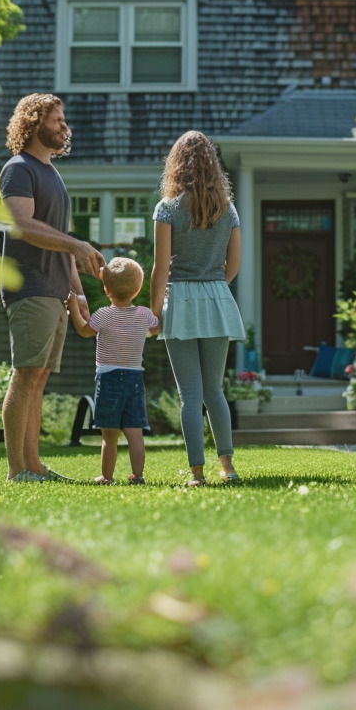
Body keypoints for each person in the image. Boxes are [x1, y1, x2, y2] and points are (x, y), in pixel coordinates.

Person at [0, 92, 104, 483]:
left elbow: (57, 239)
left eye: (64, 120)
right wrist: (76, 245)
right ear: (33, 121)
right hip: (29, 288)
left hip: (55, 290)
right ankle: (16, 470)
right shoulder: (19, 169)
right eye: (57, 119)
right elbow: (22, 225)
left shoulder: (52, 174)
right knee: (25, 374)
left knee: (38, 378)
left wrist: (75, 290)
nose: (65, 126)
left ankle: (34, 466)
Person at [150, 131, 245, 486]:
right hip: (218, 299)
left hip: (182, 301)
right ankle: (229, 467)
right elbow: (233, 265)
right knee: (214, 390)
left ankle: (197, 473)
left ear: (176, 165)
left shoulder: (168, 208)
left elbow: (161, 268)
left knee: (190, 395)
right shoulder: (228, 209)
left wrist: (154, 312)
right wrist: (215, 283)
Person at [67, 256, 159, 485]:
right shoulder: (144, 315)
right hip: (135, 377)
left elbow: (84, 330)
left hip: (108, 378)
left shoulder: (103, 315)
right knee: (135, 431)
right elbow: (155, 329)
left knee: (109, 434)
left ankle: (107, 477)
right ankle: (137, 476)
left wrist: (73, 309)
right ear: (137, 289)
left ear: (106, 289)